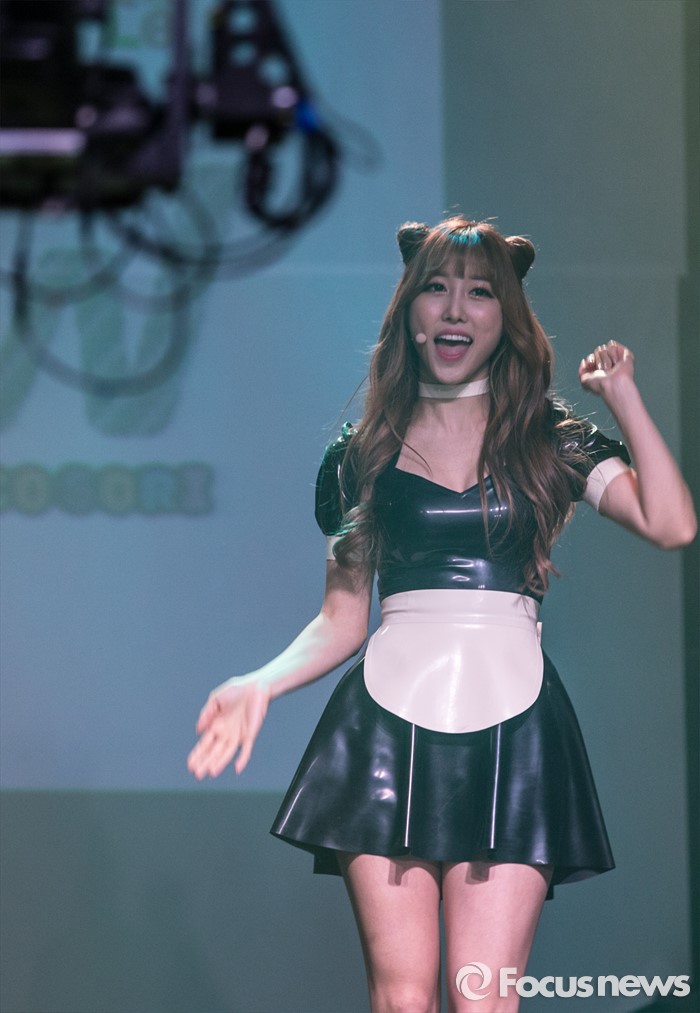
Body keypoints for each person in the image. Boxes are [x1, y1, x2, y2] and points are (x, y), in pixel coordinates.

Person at [187, 217, 696, 1013]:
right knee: (401, 999)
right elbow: (342, 620)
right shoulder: (360, 454)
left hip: (515, 729)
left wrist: (624, 397)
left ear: (506, 316)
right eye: (436, 288)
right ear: (410, 311)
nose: (456, 309)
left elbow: (672, 523)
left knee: (481, 998)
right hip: (384, 731)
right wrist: (260, 682)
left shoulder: (552, 441)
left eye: (480, 292)